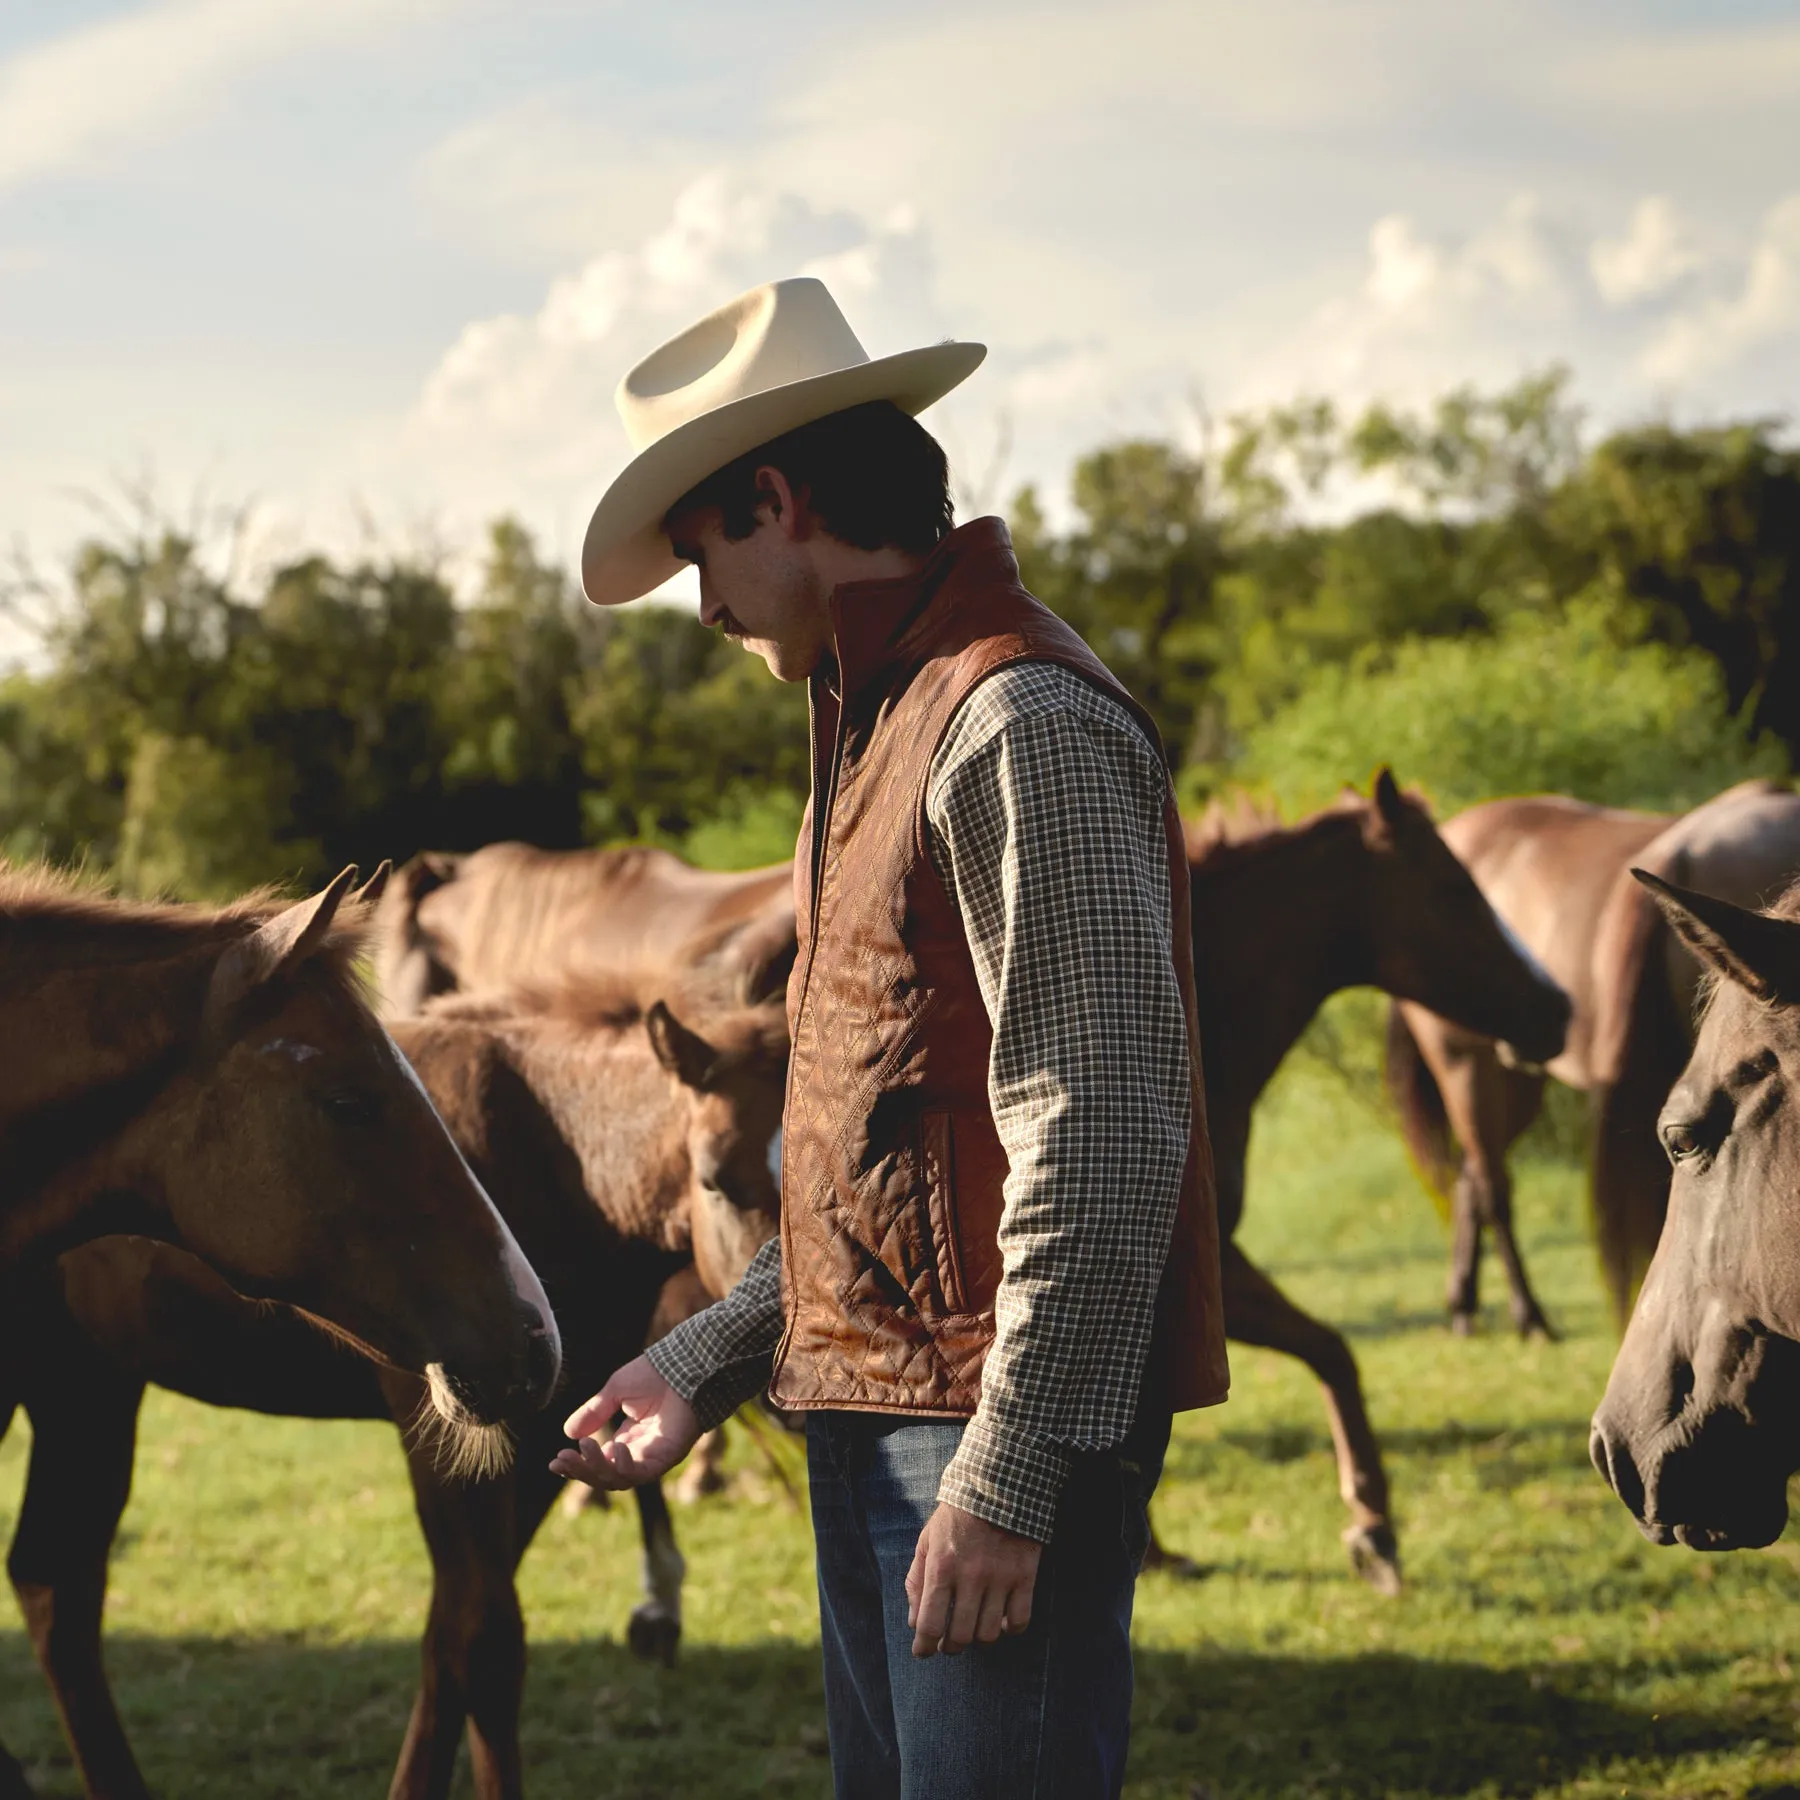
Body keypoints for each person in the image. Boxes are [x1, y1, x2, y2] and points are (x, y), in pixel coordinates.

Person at [551, 276, 1229, 1800]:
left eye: (699, 556)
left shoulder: (1014, 723)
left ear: (776, 500)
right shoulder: (878, 727)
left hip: (982, 1432)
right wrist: (704, 1357)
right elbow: (890, 1160)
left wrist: (1010, 1474)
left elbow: (1104, 1126)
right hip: (884, 1415)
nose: (706, 608)